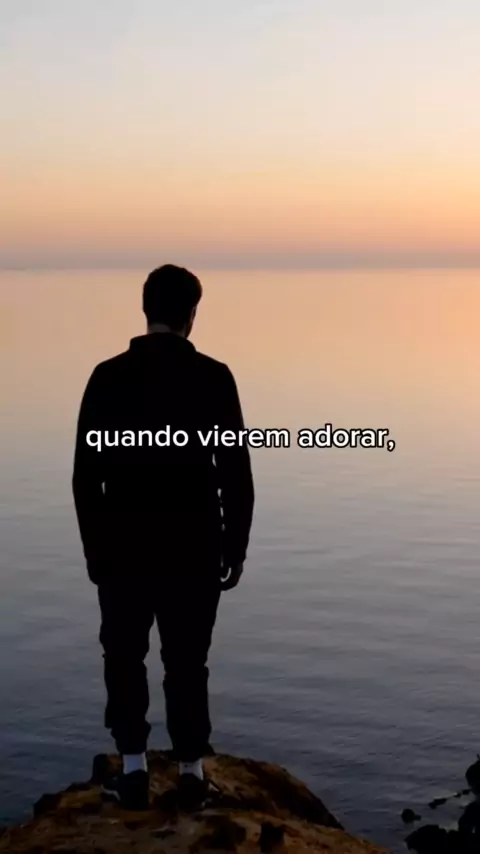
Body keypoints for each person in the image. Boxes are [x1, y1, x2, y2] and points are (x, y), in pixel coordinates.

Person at [72, 265, 255, 811]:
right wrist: (235, 547)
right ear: (191, 315)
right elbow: (235, 473)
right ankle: (192, 773)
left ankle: (132, 770)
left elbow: (86, 477)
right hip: (194, 547)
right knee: (187, 661)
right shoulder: (214, 377)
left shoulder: (107, 376)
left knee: (124, 657)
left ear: (145, 309)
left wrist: (95, 551)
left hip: (122, 548)